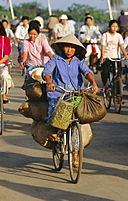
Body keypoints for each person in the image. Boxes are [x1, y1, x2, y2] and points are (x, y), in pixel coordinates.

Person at [43, 34, 98, 168]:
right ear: (62, 47)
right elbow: (46, 72)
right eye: (67, 47)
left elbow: (87, 72)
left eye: (72, 48)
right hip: (58, 94)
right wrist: (49, 82)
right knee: (54, 109)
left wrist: (93, 82)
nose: (69, 50)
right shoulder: (55, 59)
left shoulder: (78, 61)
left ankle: (75, 154)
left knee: (75, 124)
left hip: (76, 95)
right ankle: (53, 131)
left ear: (76, 49)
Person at [100, 20, 128, 91]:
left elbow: (122, 47)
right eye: (113, 26)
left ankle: (117, 88)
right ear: (109, 27)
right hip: (107, 56)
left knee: (118, 73)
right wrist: (102, 57)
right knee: (105, 72)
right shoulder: (105, 35)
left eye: (116, 27)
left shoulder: (118, 36)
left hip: (116, 57)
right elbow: (103, 46)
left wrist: (126, 56)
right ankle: (104, 85)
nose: (114, 28)